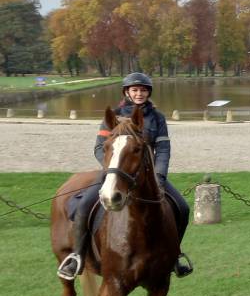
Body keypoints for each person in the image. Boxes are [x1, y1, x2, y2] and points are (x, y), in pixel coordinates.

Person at [56, 72, 193, 280]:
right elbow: (99, 147)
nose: (139, 93)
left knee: (182, 207)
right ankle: (77, 256)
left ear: (149, 92)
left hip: (148, 176)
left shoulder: (157, 118)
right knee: (84, 205)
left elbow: (163, 150)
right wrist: (114, 170)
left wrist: (160, 177)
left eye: (143, 90)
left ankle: (174, 255)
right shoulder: (114, 115)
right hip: (116, 174)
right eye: (135, 90)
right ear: (127, 92)